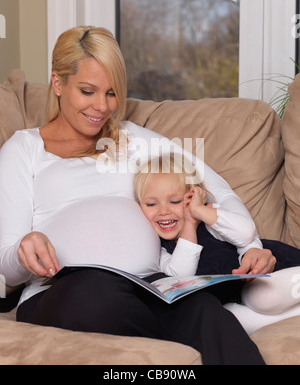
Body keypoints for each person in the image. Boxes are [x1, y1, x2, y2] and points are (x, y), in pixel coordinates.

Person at [0, 25, 270, 365]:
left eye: (112, 93)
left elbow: (214, 185)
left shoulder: (133, 139)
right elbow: (7, 270)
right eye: (88, 91)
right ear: (58, 83)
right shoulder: (24, 149)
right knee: (94, 295)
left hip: (155, 285)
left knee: (208, 314)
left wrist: (252, 246)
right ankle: (171, 330)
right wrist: (24, 251)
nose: (102, 106)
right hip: (64, 290)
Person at [134, 153, 300, 334]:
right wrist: (189, 224)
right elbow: (182, 274)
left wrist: (198, 211)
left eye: (174, 201)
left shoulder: (209, 217)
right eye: (151, 204)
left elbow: (245, 233)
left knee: (262, 296)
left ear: (193, 197)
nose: (163, 211)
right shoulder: (158, 248)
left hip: (259, 279)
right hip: (229, 302)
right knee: (230, 317)